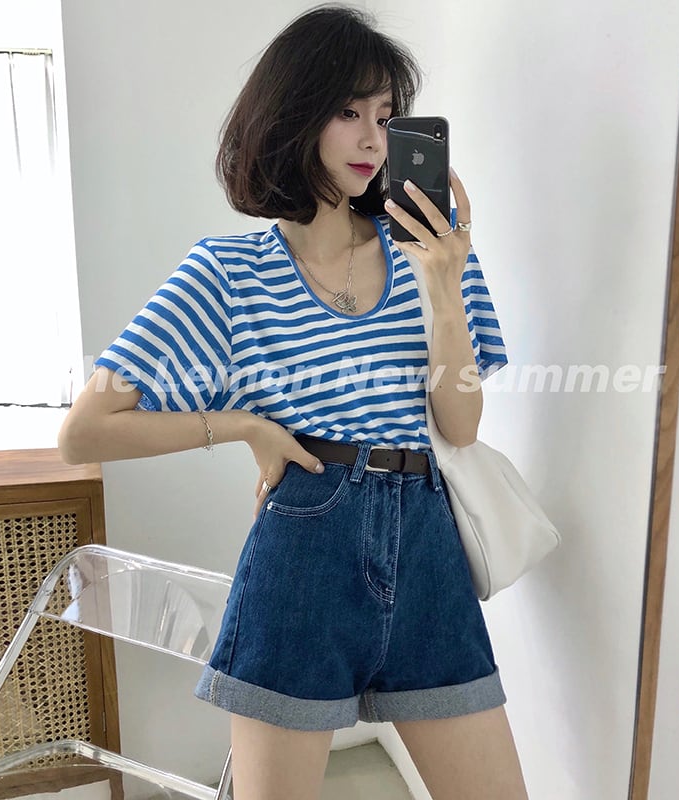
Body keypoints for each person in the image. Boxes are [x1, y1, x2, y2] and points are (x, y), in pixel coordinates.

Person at [58, 4, 528, 799]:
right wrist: (244, 425)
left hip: (428, 548)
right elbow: (84, 432)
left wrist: (445, 284)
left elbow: (461, 423)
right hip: (304, 547)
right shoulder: (228, 272)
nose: (373, 139)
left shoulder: (433, 253)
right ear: (294, 117)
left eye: (385, 114)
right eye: (349, 113)